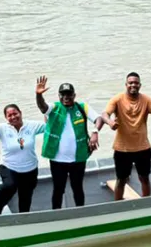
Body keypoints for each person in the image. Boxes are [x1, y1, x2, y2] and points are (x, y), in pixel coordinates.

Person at [35, 76, 105, 209]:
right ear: (59, 96)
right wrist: (38, 95)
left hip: (78, 158)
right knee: (58, 189)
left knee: (77, 187)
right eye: (63, 94)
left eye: (69, 94)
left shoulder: (82, 107)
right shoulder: (54, 107)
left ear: (74, 95)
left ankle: (80, 213)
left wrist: (95, 132)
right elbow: (42, 107)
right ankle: (56, 215)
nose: (66, 97)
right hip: (57, 159)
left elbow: (98, 119)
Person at [104, 72, 151, 200]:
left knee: (144, 178)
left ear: (140, 85)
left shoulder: (146, 100)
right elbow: (105, 113)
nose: (133, 85)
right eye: (130, 83)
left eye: (136, 83)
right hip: (122, 149)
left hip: (142, 148)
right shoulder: (117, 99)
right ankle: (118, 206)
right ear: (126, 85)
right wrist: (110, 122)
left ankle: (146, 205)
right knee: (121, 180)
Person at [0, 99, 45, 215]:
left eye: (15, 113)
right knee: (10, 186)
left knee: (25, 198)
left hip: (30, 168)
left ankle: (23, 219)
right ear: (6, 118)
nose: (13, 117)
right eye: (9, 115)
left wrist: (46, 109)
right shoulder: (2, 128)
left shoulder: (31, 125)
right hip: (9, 166)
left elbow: (49, 126)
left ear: (20, 113)